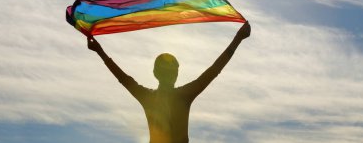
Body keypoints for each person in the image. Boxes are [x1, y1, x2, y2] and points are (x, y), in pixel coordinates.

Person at [87, 22, 251, 143]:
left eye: (171, 71)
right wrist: (238, 38)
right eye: (170, 71)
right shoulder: (182, 95)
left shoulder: (149, 97)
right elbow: (214, 70)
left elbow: (123, 78)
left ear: (155, 73)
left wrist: (100, 52)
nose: (171, 75)